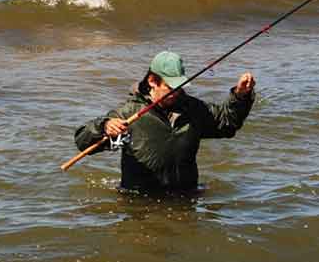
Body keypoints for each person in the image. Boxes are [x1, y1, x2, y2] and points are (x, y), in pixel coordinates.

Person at [74, 51, 255, 192]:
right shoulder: (128, 113)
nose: (177, 93)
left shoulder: (193, 109)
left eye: (180, 87)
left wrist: (240, 97)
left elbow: (227, 124)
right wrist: (103, 126)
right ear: (152, 81)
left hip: (185, 199)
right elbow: (82, 140)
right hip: (140, 204)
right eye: (171, 87)